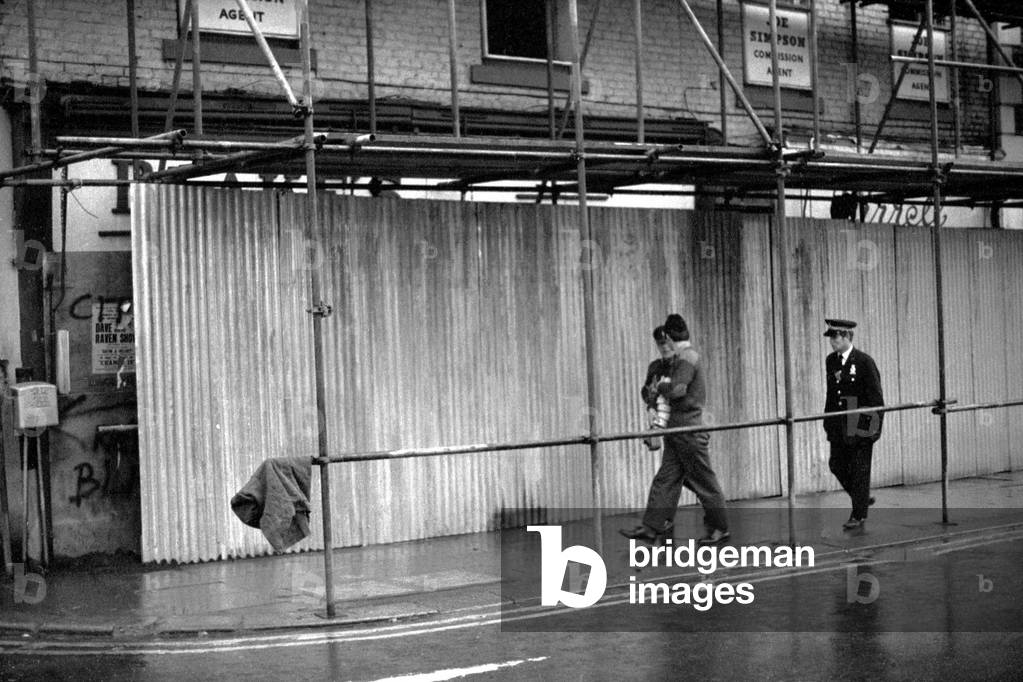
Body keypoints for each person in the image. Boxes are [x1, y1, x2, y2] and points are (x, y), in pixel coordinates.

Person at [621, 314, 730, 545]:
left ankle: (720, 527)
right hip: (677, 431)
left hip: (689, 430)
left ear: (670, 338)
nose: (664, 346)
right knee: (666, 479)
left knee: (704, 482)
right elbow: (658, 391)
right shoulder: (680, 359)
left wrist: (660, 386)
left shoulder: (687, 359)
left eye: (666, 341)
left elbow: (677, 390)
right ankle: (652, 526)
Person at [822, 318, 884, 530]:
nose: (832, 341)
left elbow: (876, 399)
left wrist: (872, 431)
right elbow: (832, 394)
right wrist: (828, 421)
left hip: (860, 424)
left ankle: (858, 514)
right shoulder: (831, 361)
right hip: (839, 423)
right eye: (831, 337)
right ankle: (862, 498)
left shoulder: (864, 362)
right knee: (836, 464)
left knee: (859, 471)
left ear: (848, 336)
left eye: (836, 337)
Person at [641, 326, 673, 451]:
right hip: (666, 427)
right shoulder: (655, 367)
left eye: (667, 342)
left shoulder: (683, 365)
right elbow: (646, 391)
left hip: (683, 425)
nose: (665, 347)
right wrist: (651, 407)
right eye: (660, 344)